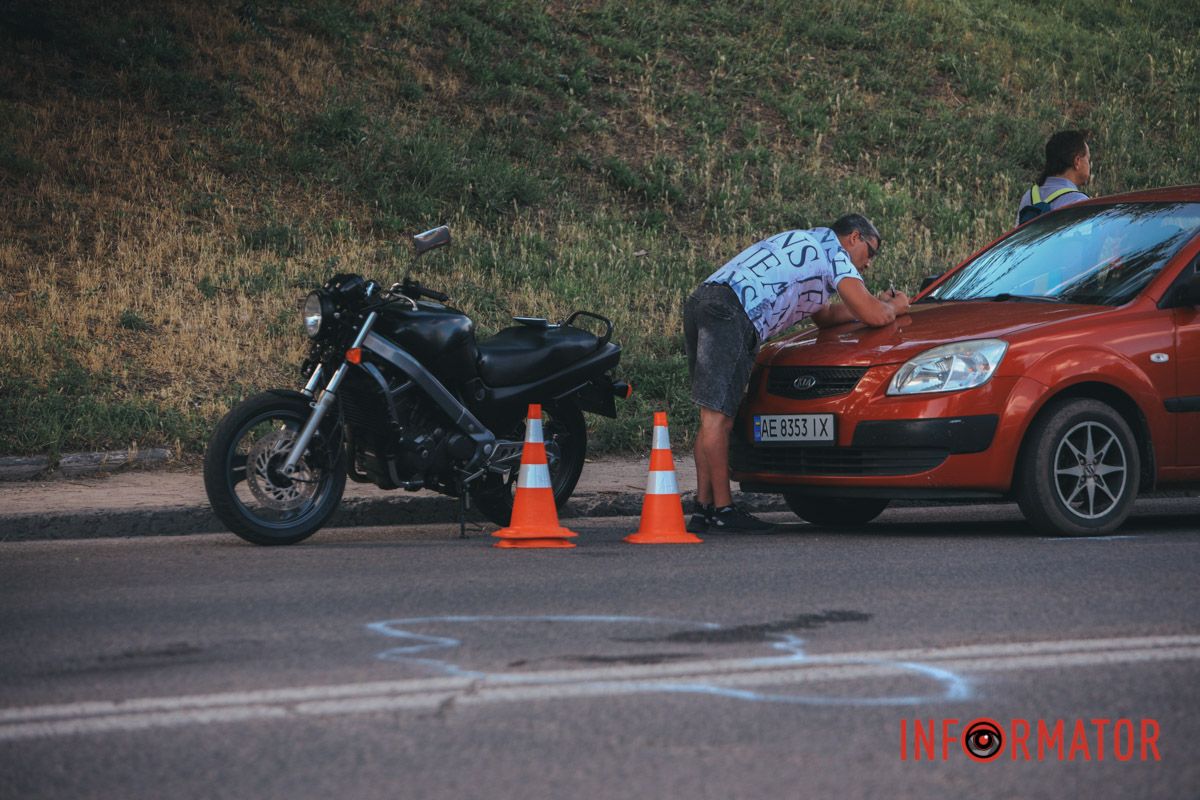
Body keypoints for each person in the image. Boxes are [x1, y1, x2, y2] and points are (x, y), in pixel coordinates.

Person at [683, 214, 910, 533]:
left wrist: (874, 303)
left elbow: (827, 316)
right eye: (870, 254)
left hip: (705, 299)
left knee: (713, 414)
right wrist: (894, 307)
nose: (868, 265)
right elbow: (872, 316)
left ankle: (703, 509)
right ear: (854, 238)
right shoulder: (835, 253)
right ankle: (724, 510)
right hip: (733, 311)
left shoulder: (807, 244)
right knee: (718, 418)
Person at [1016, 129, 1092, 225]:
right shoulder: (1079, 201)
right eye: (1088, 159)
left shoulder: (1029, 196)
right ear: (1077, 161)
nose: (1089, 165)